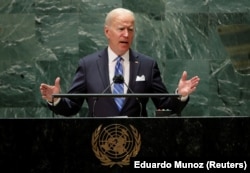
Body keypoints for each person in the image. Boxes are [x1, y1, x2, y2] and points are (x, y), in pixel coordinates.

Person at [40, 7, 200, 117]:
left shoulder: (147, 65)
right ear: (107, 32)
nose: (126, 34)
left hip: (138, 140)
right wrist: (56, 99)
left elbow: (164, 105)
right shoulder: (88, 65)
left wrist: (180, 95)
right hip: (98, 140)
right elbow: (71, 107)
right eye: (121, 29)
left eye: (130, 30)